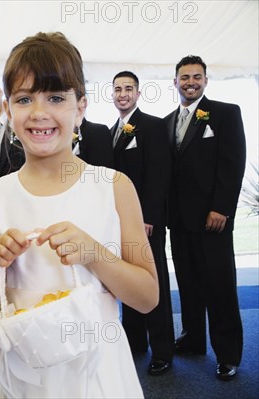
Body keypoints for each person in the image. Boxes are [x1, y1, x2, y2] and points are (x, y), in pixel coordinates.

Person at [0, 32, 158, 398]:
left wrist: (94, 253)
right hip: (16, 368)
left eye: (55, 97)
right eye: (24, 99)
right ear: (8, 109)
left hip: (95, 366)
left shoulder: (113, 187)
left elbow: (147, 297)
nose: (39, 113)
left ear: (80, 107)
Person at [165, 55, 246, 381]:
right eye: (184, 77)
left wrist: (222, 208)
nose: (190, 82)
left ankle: (228, 354)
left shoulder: (225, 113)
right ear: (175, 83)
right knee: (188, 284)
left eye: (196, 77)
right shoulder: (168, 121)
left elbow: (233, 163)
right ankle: (194, 338)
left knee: (220, 287)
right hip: (179, 222)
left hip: (213, 220)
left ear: (206, 81)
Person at [111, 71, 174, 376]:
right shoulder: (113, 130)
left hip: (146, 222)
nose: (122, 94)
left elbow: (159, 174)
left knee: (153, 280)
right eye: (117, 89)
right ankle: (135, 340)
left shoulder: (152, 125)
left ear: (137, 93)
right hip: (122, 222)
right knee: (129, 280)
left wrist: (148, 217)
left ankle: (162, 350)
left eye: (128, 89)